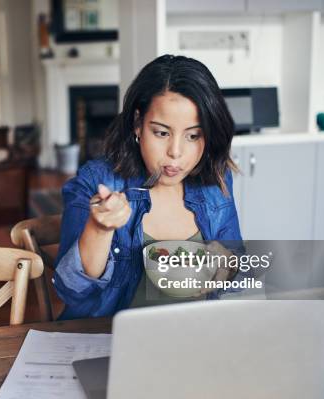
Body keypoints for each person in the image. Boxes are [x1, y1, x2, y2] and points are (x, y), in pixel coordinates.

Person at [53, 55, 243, 320]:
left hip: (191, 340)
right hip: (107, 344)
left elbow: (236, 272)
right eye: (162, 133)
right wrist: (100, 228)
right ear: (137, 124)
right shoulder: (97, 182)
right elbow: (71, 291)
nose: (175, 153)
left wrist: (226, 268)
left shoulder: (215, 179)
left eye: (193, 135)